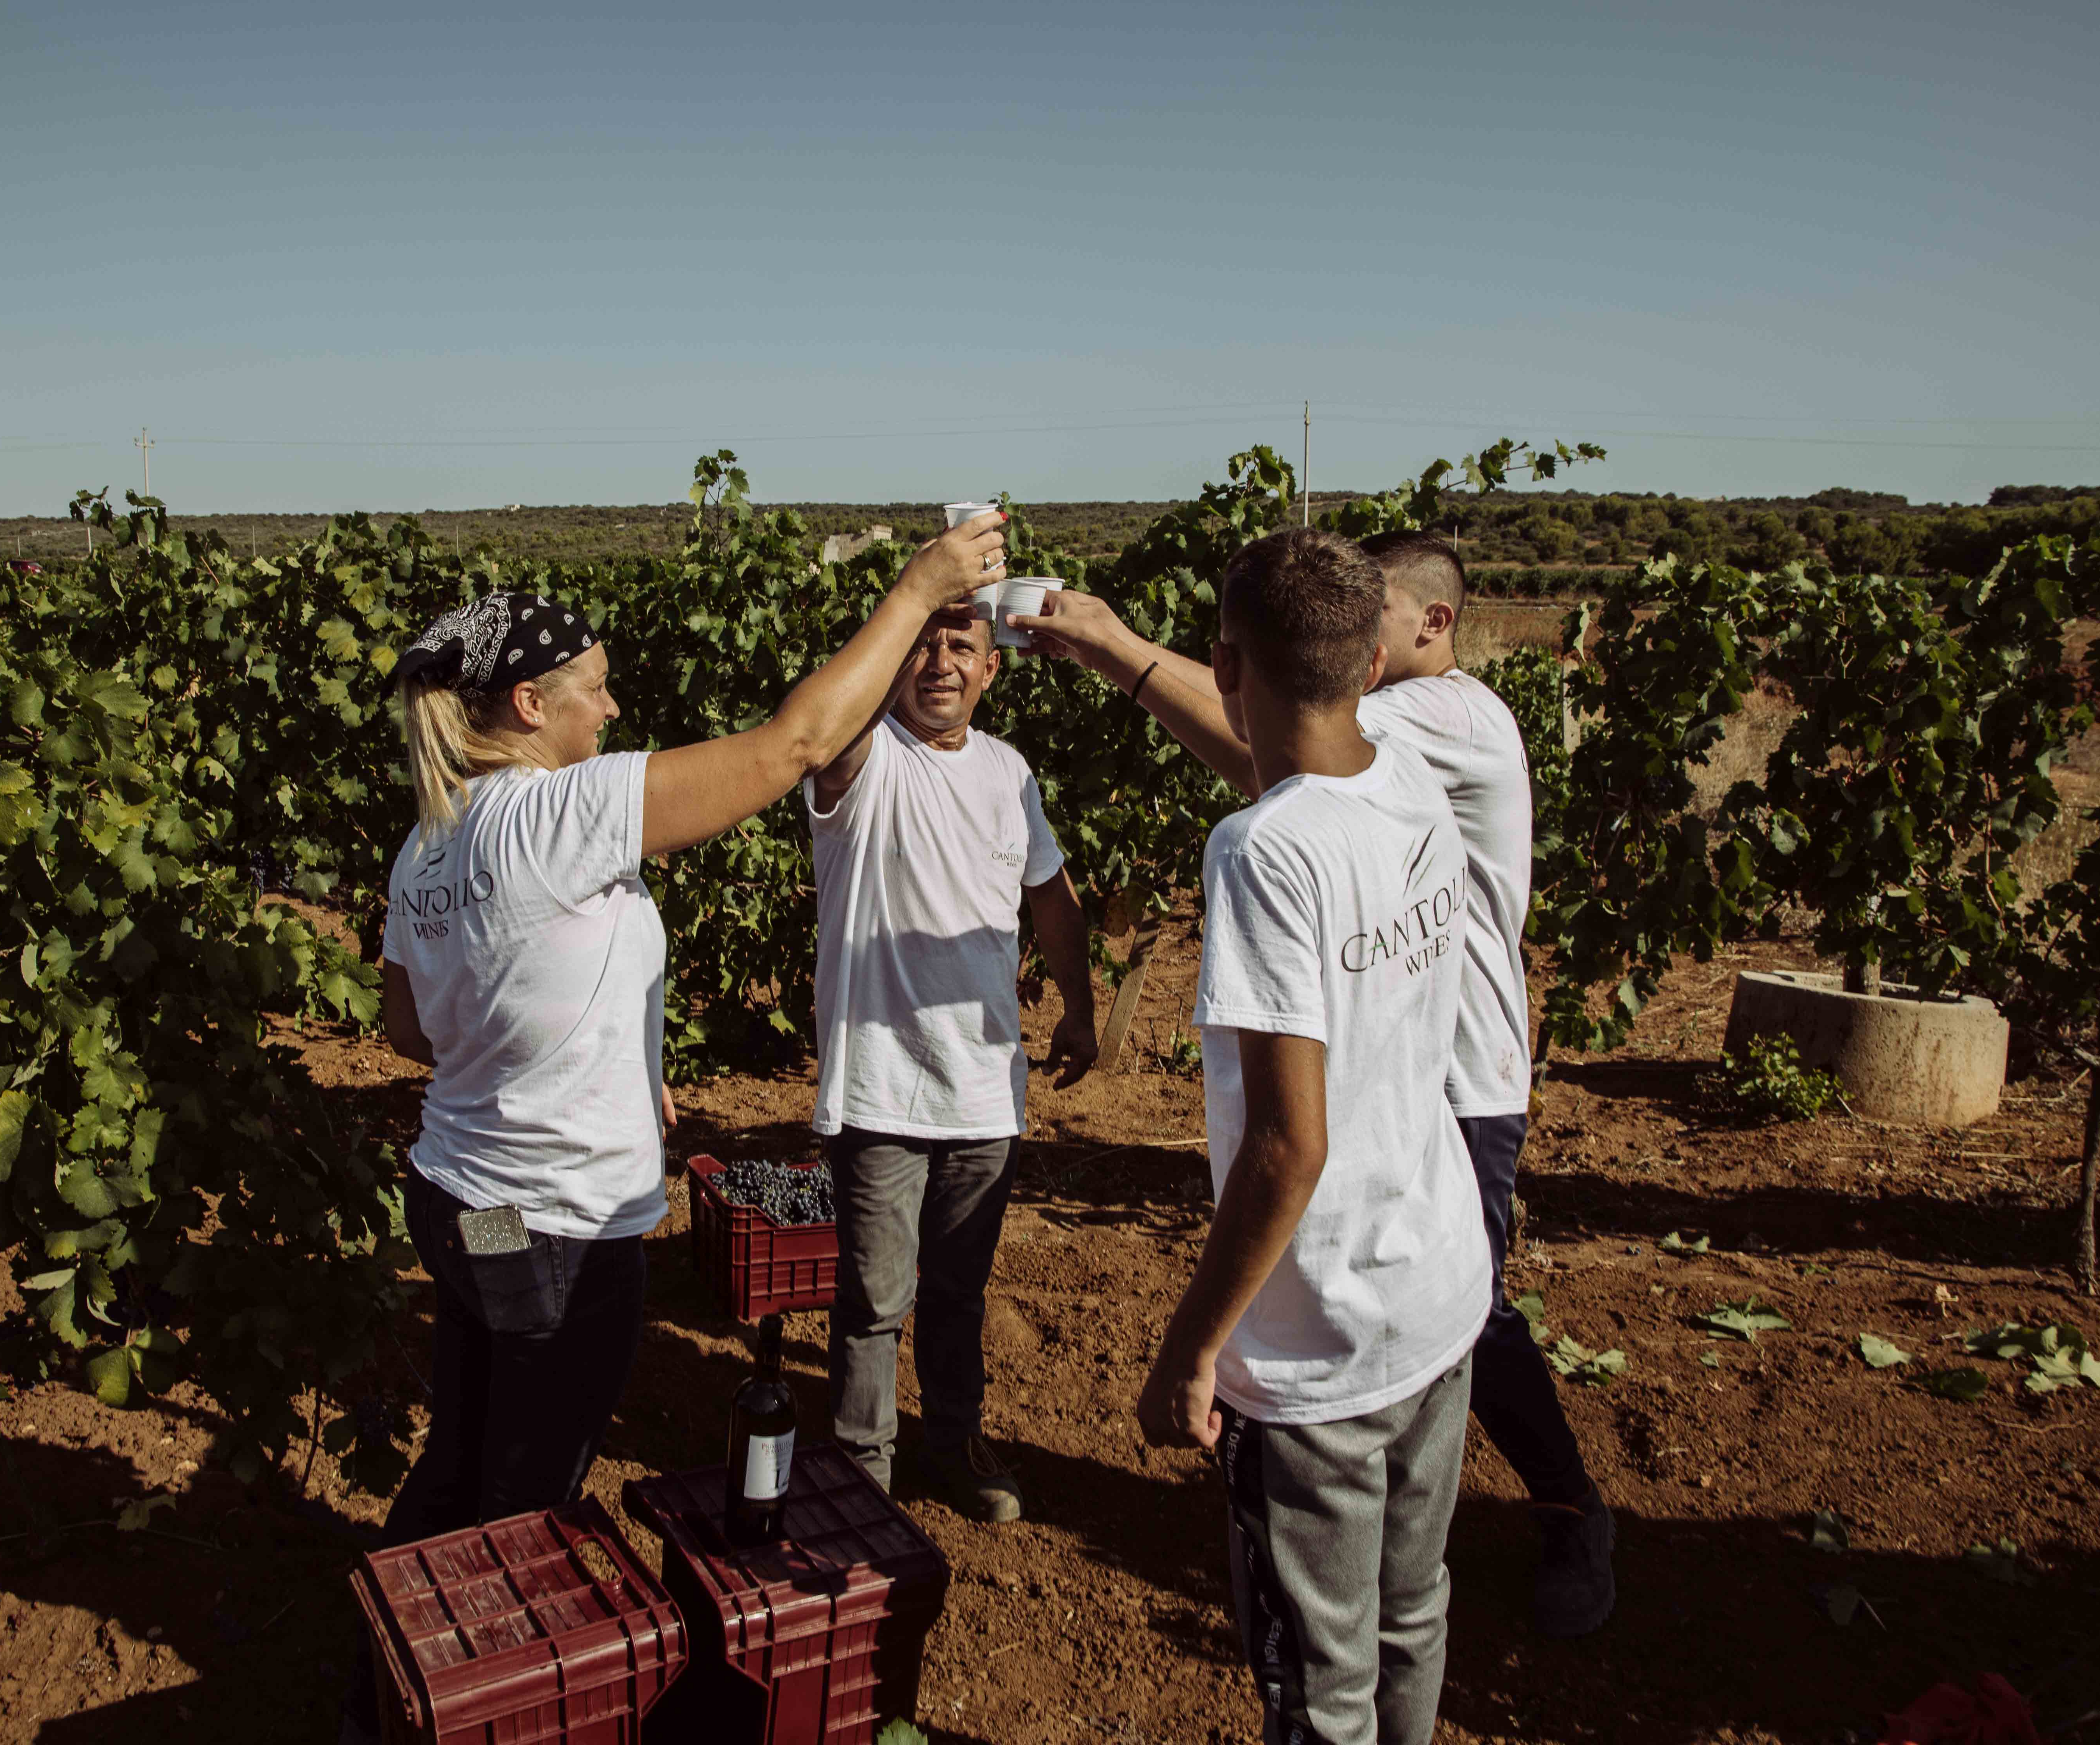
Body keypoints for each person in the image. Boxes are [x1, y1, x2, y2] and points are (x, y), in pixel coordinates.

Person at [341, 514, 1005, 1745]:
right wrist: (921, 588)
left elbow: (410, 1035)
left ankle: (385, 1666)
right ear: (531, 705)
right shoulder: (556, 812)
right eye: (593, 688)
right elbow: (794, 744)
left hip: (466, 1204)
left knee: (466, 1437)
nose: (611, 704)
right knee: (528, 1495)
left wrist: (588, 1059)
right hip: (557, 1228)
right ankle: (467, 1699)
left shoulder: (425, 844)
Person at [1015, 530, 1617, 1637]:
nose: (1346, 638)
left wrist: (1113, 646)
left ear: (1424, 631)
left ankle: (1567, 1505)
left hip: (1448, 1071)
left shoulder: (1432, 725)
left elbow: (1269, 747)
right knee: (1443, 1302)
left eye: (1368, 612)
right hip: (1405, 1049)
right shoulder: (1400, 741)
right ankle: (1406, 1554)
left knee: (1457, 1306)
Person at [1127, 528, 1487, 1745]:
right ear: (1375, 656)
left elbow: (1289, 1148)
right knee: (1413, 1611)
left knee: (1317, 1684)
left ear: (1227, 663)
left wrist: (1190, 1355)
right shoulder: (1412, 783)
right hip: (1439, 1296)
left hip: (1323, 1343)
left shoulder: (1260, 854)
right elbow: (1304, 794)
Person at [806, 602, 1098, 1523]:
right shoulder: (861, 756)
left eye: (961, 646)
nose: (939, 661)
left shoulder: (1011, 773)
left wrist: (1082, 1007)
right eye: (922, 644)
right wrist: (913, 599)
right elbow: (826, 724)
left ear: (990, 670)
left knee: (959, 1290)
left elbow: (1049, 898)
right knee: (873, 1297)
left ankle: (952, 1441)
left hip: (983, 1090)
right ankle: (862, 1467)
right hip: (882, 1085)